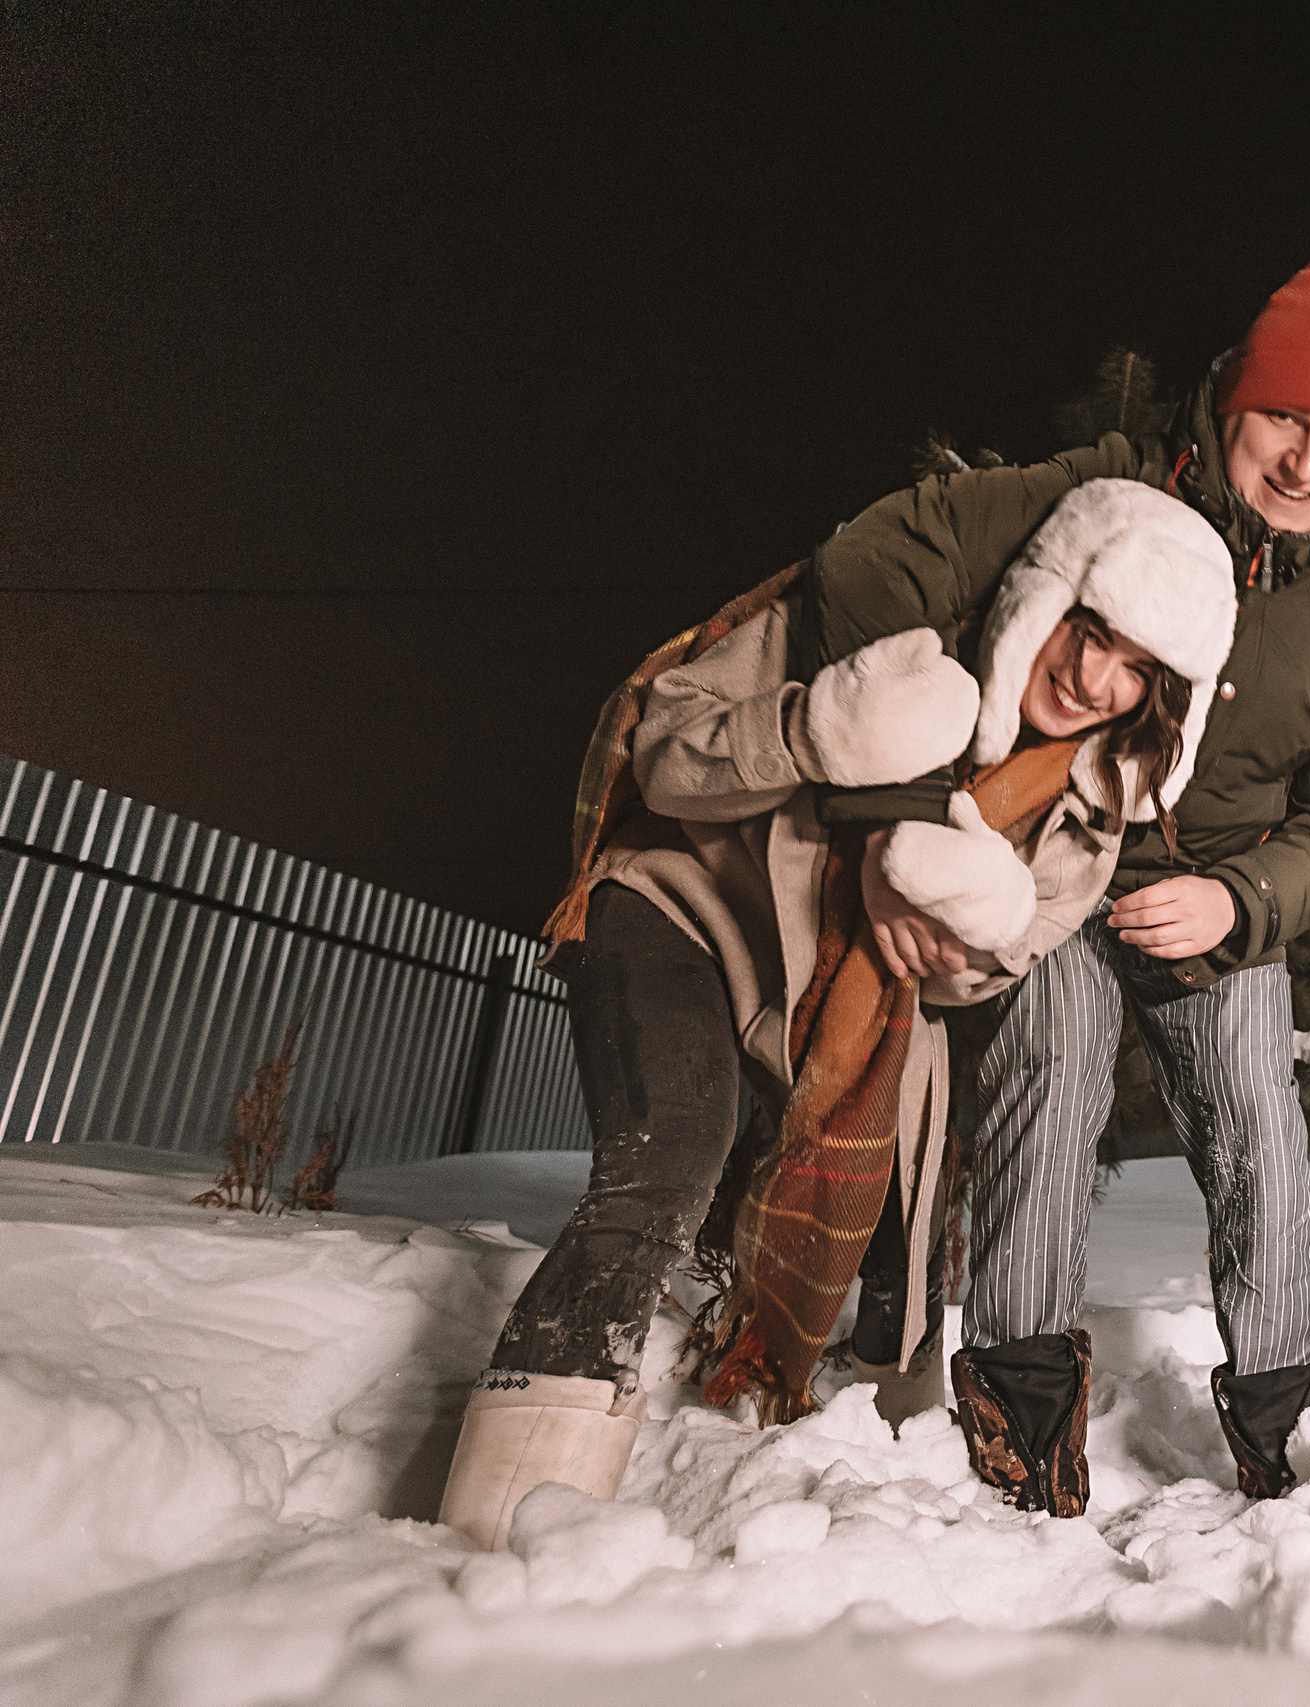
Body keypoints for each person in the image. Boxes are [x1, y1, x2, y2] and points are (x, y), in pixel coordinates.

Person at [436, 478, 1237, 1551]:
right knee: (671, 1155)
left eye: (1135, 665)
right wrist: (820, 730)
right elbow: (666, 755)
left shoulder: (1092, 809)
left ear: (1161, 696)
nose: (1092, 678)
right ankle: (499, 1522)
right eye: (1087, 633)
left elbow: (986, 973)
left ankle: (860, 1470)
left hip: (851, 1004)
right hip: (691, 903)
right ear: (1047, 598)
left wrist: (962, 910)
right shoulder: (880, 639)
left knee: (905, 1230)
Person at [797, 241, 1310, 1515]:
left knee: (1255, 1118)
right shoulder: (1112, 492)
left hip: (1220, 901)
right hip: (1059, 867)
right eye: (1282, 420)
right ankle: (1019, 1405)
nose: (1306, 462)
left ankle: (1284, 1418)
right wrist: (900, 818)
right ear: (1231, 403)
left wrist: (1238, 903)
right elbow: (866, 567)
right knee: (1051, 1062)